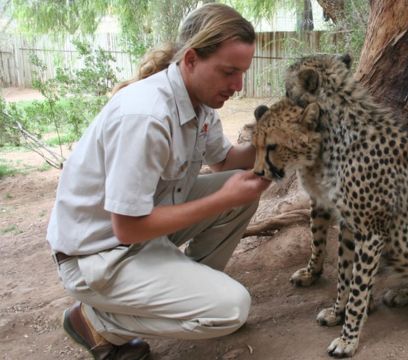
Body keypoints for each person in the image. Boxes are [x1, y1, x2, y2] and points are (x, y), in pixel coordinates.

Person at [46, 4, 271, 359]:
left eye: (242, 72)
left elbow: (225, 161)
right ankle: (95, 321)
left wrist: (274, 135)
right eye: (229, 72)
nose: (238, 86)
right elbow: (128, 228)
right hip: (100, 256)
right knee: (231, 310)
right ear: (192, 59)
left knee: (239, 189)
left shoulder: (199, 102)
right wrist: (221, 199)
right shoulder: (147, 115)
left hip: (140, 232)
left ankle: (183, 294)